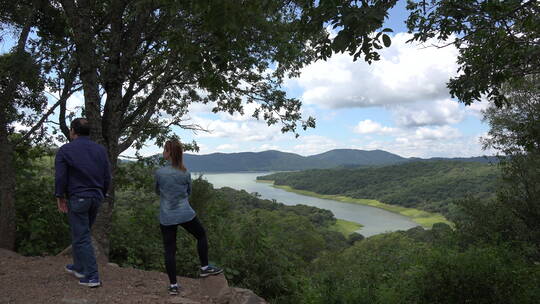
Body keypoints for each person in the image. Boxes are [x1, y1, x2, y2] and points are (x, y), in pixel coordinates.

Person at [155, 139, 223, 295]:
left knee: (170, 250)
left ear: (169, 153)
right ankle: (205, 268)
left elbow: (157, 191)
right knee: (201, 235)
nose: (163, 152)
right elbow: (188, 192)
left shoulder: (159, 173)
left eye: (164, 149)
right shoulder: (185, 172)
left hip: (167, 215)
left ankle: (173, 286)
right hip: (185, 213)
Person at [55, 118, 111, 288]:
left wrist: (59, 196)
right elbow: (107, 175)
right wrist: (102, 193)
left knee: (82, 236)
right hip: (96, 197)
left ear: (73, 131)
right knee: (81, 234)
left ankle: (92, 276)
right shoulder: (100, 150)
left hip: (78, 197)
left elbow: (60, 177)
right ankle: (78, 267)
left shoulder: (65, 150)